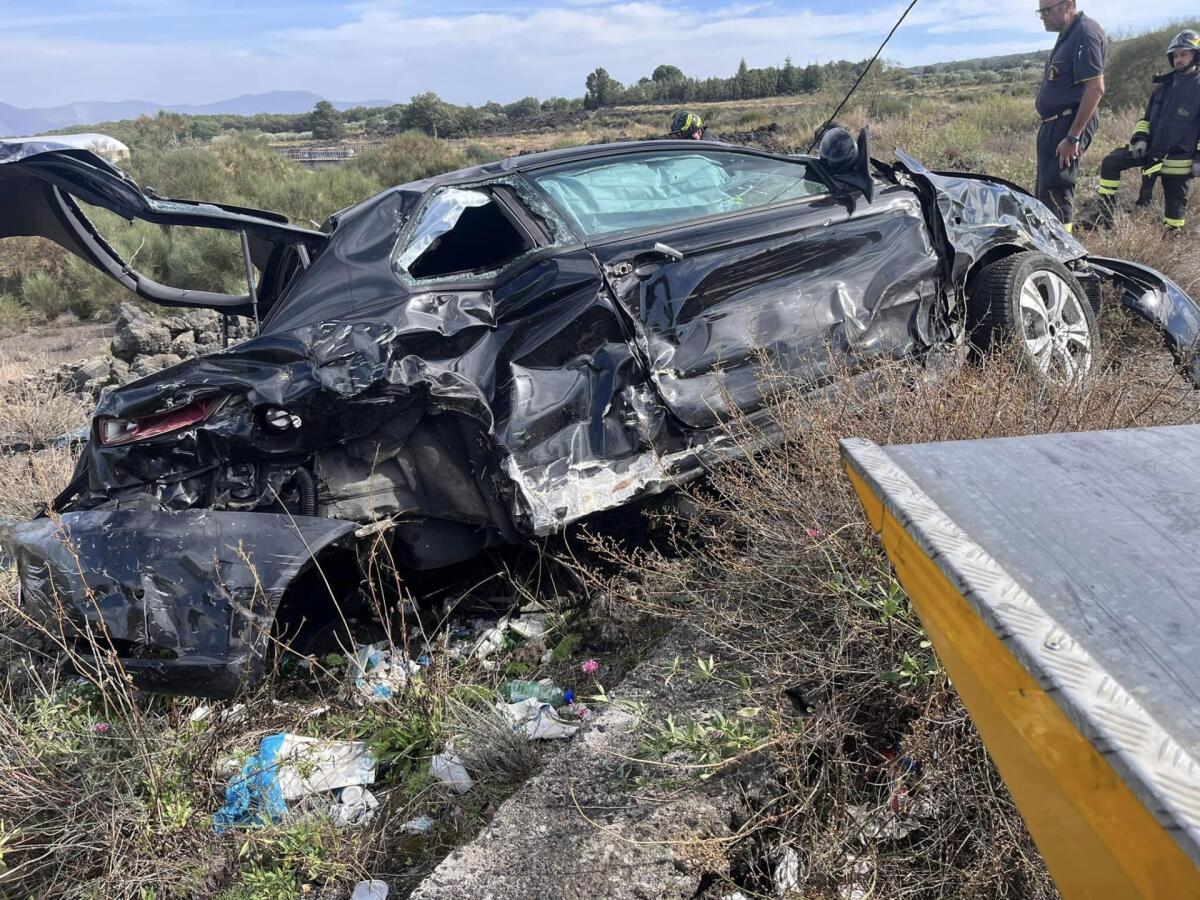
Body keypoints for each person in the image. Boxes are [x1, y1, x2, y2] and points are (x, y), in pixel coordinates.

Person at [1095, 30, 1200, 232]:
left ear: (1195, 55)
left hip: (1180, 159)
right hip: (1151, 152)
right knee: (1111, 162)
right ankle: (1106, 213)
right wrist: (1140, 139)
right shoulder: (1163, 87)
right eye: (1175, 55)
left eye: (1183, 54)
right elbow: (1146, 120)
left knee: (1174, 210)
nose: (1178, 59)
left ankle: (1172, 239)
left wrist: (1198, 158)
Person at [1034, 0, 1107, 232]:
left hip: (1068, 123)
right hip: (1055, 123)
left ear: (1068, 5)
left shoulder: (1085, 32)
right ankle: (1050, 243)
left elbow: (1095, 88)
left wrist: (1073, 137)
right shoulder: (1068, 34)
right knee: (1045, 189)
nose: (1043, 16)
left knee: (1057, 188)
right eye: (1040, 11)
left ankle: (1065, 253)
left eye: (1047, 10)